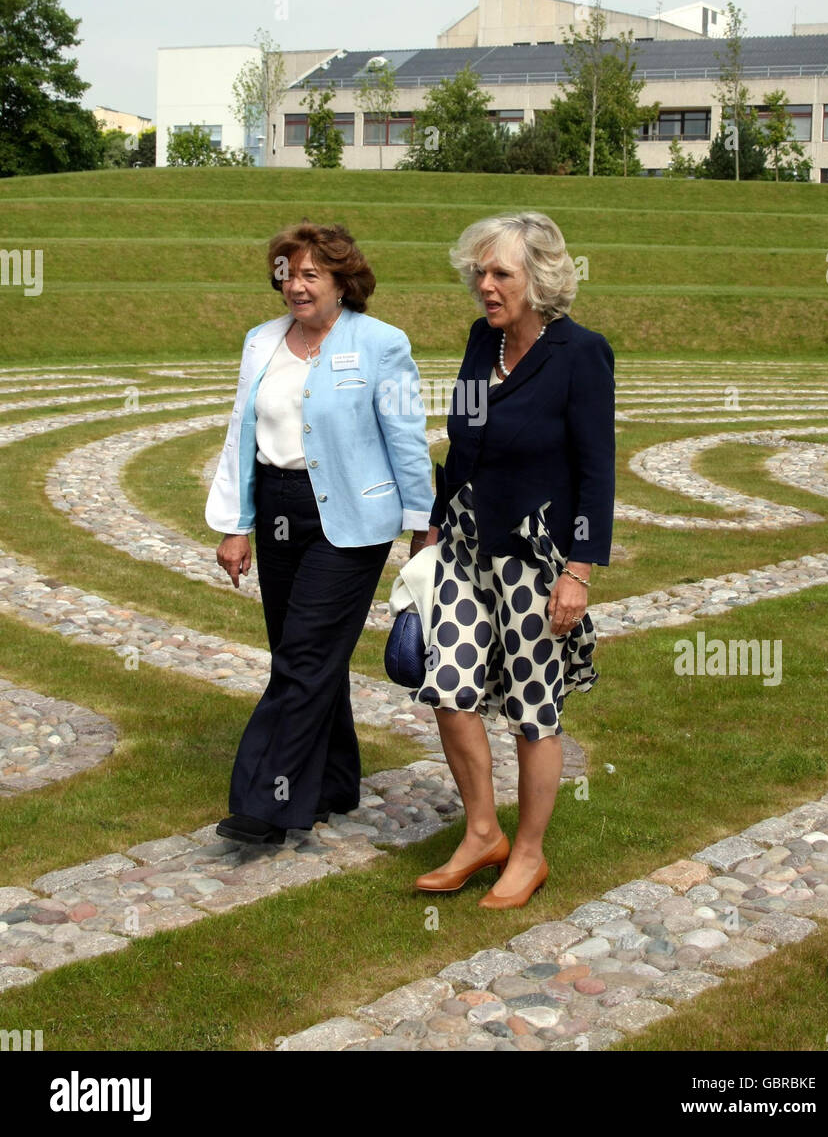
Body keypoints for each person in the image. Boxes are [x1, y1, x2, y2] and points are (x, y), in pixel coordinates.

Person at [205, 222, 434, 843]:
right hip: (279, 507)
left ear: (342, 281)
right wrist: (236, 525)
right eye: (287, 274)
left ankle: (265, 802)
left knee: (304, 657)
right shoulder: (261, 341)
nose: (296, 286)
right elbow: (242, 438)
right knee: (304, 654)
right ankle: (333, 781)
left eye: (310, 274)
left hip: (351, 522)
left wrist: (423, 525)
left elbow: (406, 438)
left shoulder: (381, 344)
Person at [412, 211, 615, 907]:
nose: (484, 284)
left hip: (537, 554)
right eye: (479, 271)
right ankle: (480, 833)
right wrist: (433, 528)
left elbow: (597, 470)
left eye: (500, 272)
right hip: (467, 545)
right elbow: (462, 443)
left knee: (534, 707)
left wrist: (579, 570)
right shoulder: (481, 342)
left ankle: (528, 854)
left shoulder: (581, 355)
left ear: (540, 278)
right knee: (447, 686)